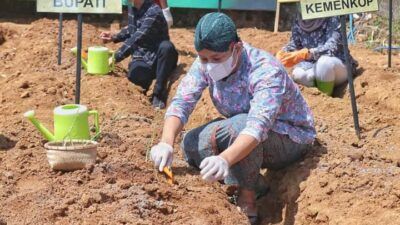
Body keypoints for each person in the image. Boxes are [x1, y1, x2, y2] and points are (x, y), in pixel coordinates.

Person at [149, 12, 316, 224]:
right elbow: (182, 101)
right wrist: (165, 143)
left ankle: (248, 198)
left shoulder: (264, 69)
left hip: (289, 137)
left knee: (239, 127)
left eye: (216, 59)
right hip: (242, 126)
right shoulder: (205, 64)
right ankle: (256, 182)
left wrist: (225, 159)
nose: (209, 65)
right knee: (190, 144)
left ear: (236, 47)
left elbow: (257, 126)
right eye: (203, 58)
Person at [100, 0, 178, 109]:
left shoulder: (154, 11)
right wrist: (114, 37)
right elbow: (133, 30)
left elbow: (137, 37)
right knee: (136, 78)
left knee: (166, 47)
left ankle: (159, 93)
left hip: (160, 57)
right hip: (142, 56)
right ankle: (143, 94)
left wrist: (115, 58)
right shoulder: (133, 8)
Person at [276, 6, 358, 96]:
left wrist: (309, 53)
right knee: (298, 74)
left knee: (324, 63)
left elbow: (333, 46)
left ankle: (327, 97)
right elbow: (296, 42)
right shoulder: (299, 19)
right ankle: (322, 88)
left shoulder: (331, 16)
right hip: (312, 65)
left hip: (337, 64)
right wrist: (285, 52)